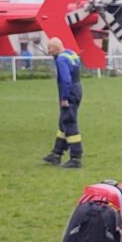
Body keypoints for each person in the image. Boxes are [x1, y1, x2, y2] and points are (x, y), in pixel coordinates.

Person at [41, 37, 84, 168]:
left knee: (69, 122)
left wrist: (64, 98)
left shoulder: (61, 59)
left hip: (69, 92)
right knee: (63, 122)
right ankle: (56, 153)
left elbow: (66, 80)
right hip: (77, 89)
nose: (48, 51)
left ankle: (76, 157)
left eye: (50, 48)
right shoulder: (71, 53)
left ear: (56, 47)